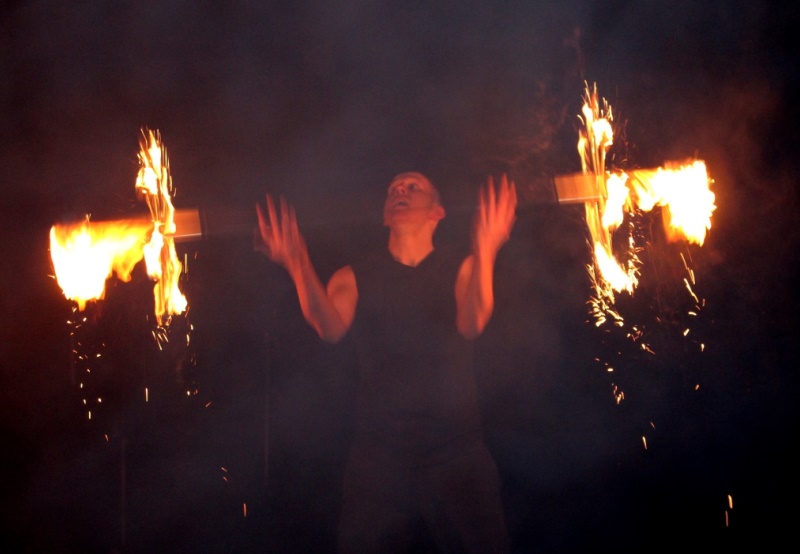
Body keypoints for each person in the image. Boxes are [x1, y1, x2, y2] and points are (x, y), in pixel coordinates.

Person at [256, 171, 517, 553]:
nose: (401, 191)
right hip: (379, 457)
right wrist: (297, 262)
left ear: (437, 212)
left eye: (414, 188)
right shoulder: (353, 276)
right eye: (394, 189)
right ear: (384, 216)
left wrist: (488, 248)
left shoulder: (461, 269)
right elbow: (330, 329)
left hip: (456, 451)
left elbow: (473, 322)